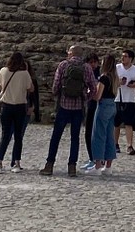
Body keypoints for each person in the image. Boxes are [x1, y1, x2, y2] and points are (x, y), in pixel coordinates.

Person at [39, 44, 97, 177]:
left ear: (71, 53)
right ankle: (72, 167)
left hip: (63, 106)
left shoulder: (63, 65)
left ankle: (49, 165)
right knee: (75, 138)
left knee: (56, 136)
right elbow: (93, 88)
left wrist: (58, 95)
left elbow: (56, 86)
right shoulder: (87, 67)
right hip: (78, 107)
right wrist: (85, 98)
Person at [0, 52, 34, 174]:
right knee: (18, 136)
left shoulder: (3, 71)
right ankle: (16, 162)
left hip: (6, 106)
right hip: (20, 106)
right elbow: (30, 88)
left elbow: (0, 85)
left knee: (5, 135)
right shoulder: (24, 73)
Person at [86, 54, 119, 174]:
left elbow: (98, 96)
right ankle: (108, 166)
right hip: (112, 105)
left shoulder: (104, 78)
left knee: (98, 135)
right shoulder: (115, 77)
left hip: (103, 105)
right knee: (110, 136)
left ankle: (98, 165)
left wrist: (90, 91)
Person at [114, 49, 135, 155]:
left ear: (130, 58)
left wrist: (134, 85)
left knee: (129, 123)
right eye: (122, 56)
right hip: (117, 98)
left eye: (125, 56)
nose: (123, 58)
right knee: (116, 123)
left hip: (130, 99)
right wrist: (119, 82)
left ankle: (129, 145)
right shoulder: (116, 68)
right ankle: (115, 144)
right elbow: (110, 81)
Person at [81, 52, 101, 171]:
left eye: (95, 62)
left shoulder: (100, 73)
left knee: (96, 133)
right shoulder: (85, 72)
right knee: (88, 132)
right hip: (89, 104)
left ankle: (97, 158)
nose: (93, 65)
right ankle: (91, 157)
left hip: (98, 104)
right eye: (91, 62)